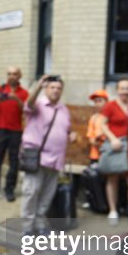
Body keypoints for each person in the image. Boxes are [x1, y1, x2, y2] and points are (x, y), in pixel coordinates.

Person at [20, 75, 77, 233]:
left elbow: (66, 128)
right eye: (52, 87)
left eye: (59, 88)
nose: (55, 91)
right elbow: (28, 103)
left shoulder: (64, 109)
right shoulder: (37, 105)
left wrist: (71, 134)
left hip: (56, 159)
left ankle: (39, 224)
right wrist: (37, 86)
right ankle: (27, 228)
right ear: (46, 89)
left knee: (47, 195)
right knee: (31, 192)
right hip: (37, 157)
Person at [98, 79, 128, 223]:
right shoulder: (110, 106)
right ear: (117, 90)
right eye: (122, 88)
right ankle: (113, 211)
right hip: (117, 146)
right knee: (113, 179)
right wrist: (112, 139)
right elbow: (102, 124)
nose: (125, 91)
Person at [0, 66, 29, 204]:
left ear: (19, 76)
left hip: (15, 131)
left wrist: (16, 99)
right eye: (9, 73)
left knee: (14, 162)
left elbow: (27, 111)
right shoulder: (0, 89)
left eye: (15, 74)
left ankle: (9, 189)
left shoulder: (24, 93)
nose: (12, 76)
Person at [86, 89, 108, 162]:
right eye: (95, 101)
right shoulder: (93, 118)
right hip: (95, 155)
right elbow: (90, 137)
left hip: (108, 155)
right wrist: (96, 141)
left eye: (100, 101)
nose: (97, 104)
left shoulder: (111, 117)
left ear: (106, 101)